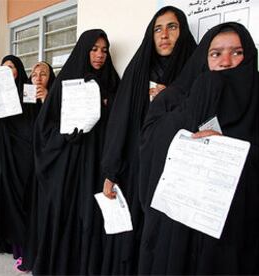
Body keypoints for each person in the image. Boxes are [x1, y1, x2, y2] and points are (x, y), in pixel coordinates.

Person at [139, 22, 258, 274]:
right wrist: (194, 110)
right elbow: (149, 144)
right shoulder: (177, 96)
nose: (225, 62)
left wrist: (231, 150)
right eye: (216, 54)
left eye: (236, 52)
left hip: (236, 234)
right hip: (179, 232)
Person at [100, 6, 196, 274]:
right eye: (158, 29)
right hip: (135, 170)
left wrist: (173, 100)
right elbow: (119, 124)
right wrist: (111, 171)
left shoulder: (195, 73)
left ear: (183, 31)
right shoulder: (138, 71)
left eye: (172, 27)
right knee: (132, 239)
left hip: (177, 176)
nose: (164, 35)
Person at [31, 29, 120, 275]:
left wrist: (107, 102)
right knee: (66, 214)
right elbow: (44, 128)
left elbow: (123, 123)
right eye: (94, 49)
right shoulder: (64, 82)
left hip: (98, 162)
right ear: (83, 50)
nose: (100, 55)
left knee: (92, 217)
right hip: (68, 164)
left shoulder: (113, 82)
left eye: (104, 50)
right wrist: (63, 136)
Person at [0, 55, 36, 263]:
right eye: (3, 69)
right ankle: (6, 239)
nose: (7, 72)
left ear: (19, 70)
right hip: (1, 151)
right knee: (3, 192)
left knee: (21, 193)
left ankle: (23, 241)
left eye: (11, 67)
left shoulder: (28, 89)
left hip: (23, 151)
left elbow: (34, 118)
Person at [19, 61, 55, 272]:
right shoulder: (24, 102)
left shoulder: (54, 98)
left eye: (44, 74)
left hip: (47, 164)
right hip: (28, 162)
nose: (38, 78)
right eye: (34, 74)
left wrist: (47, 100)